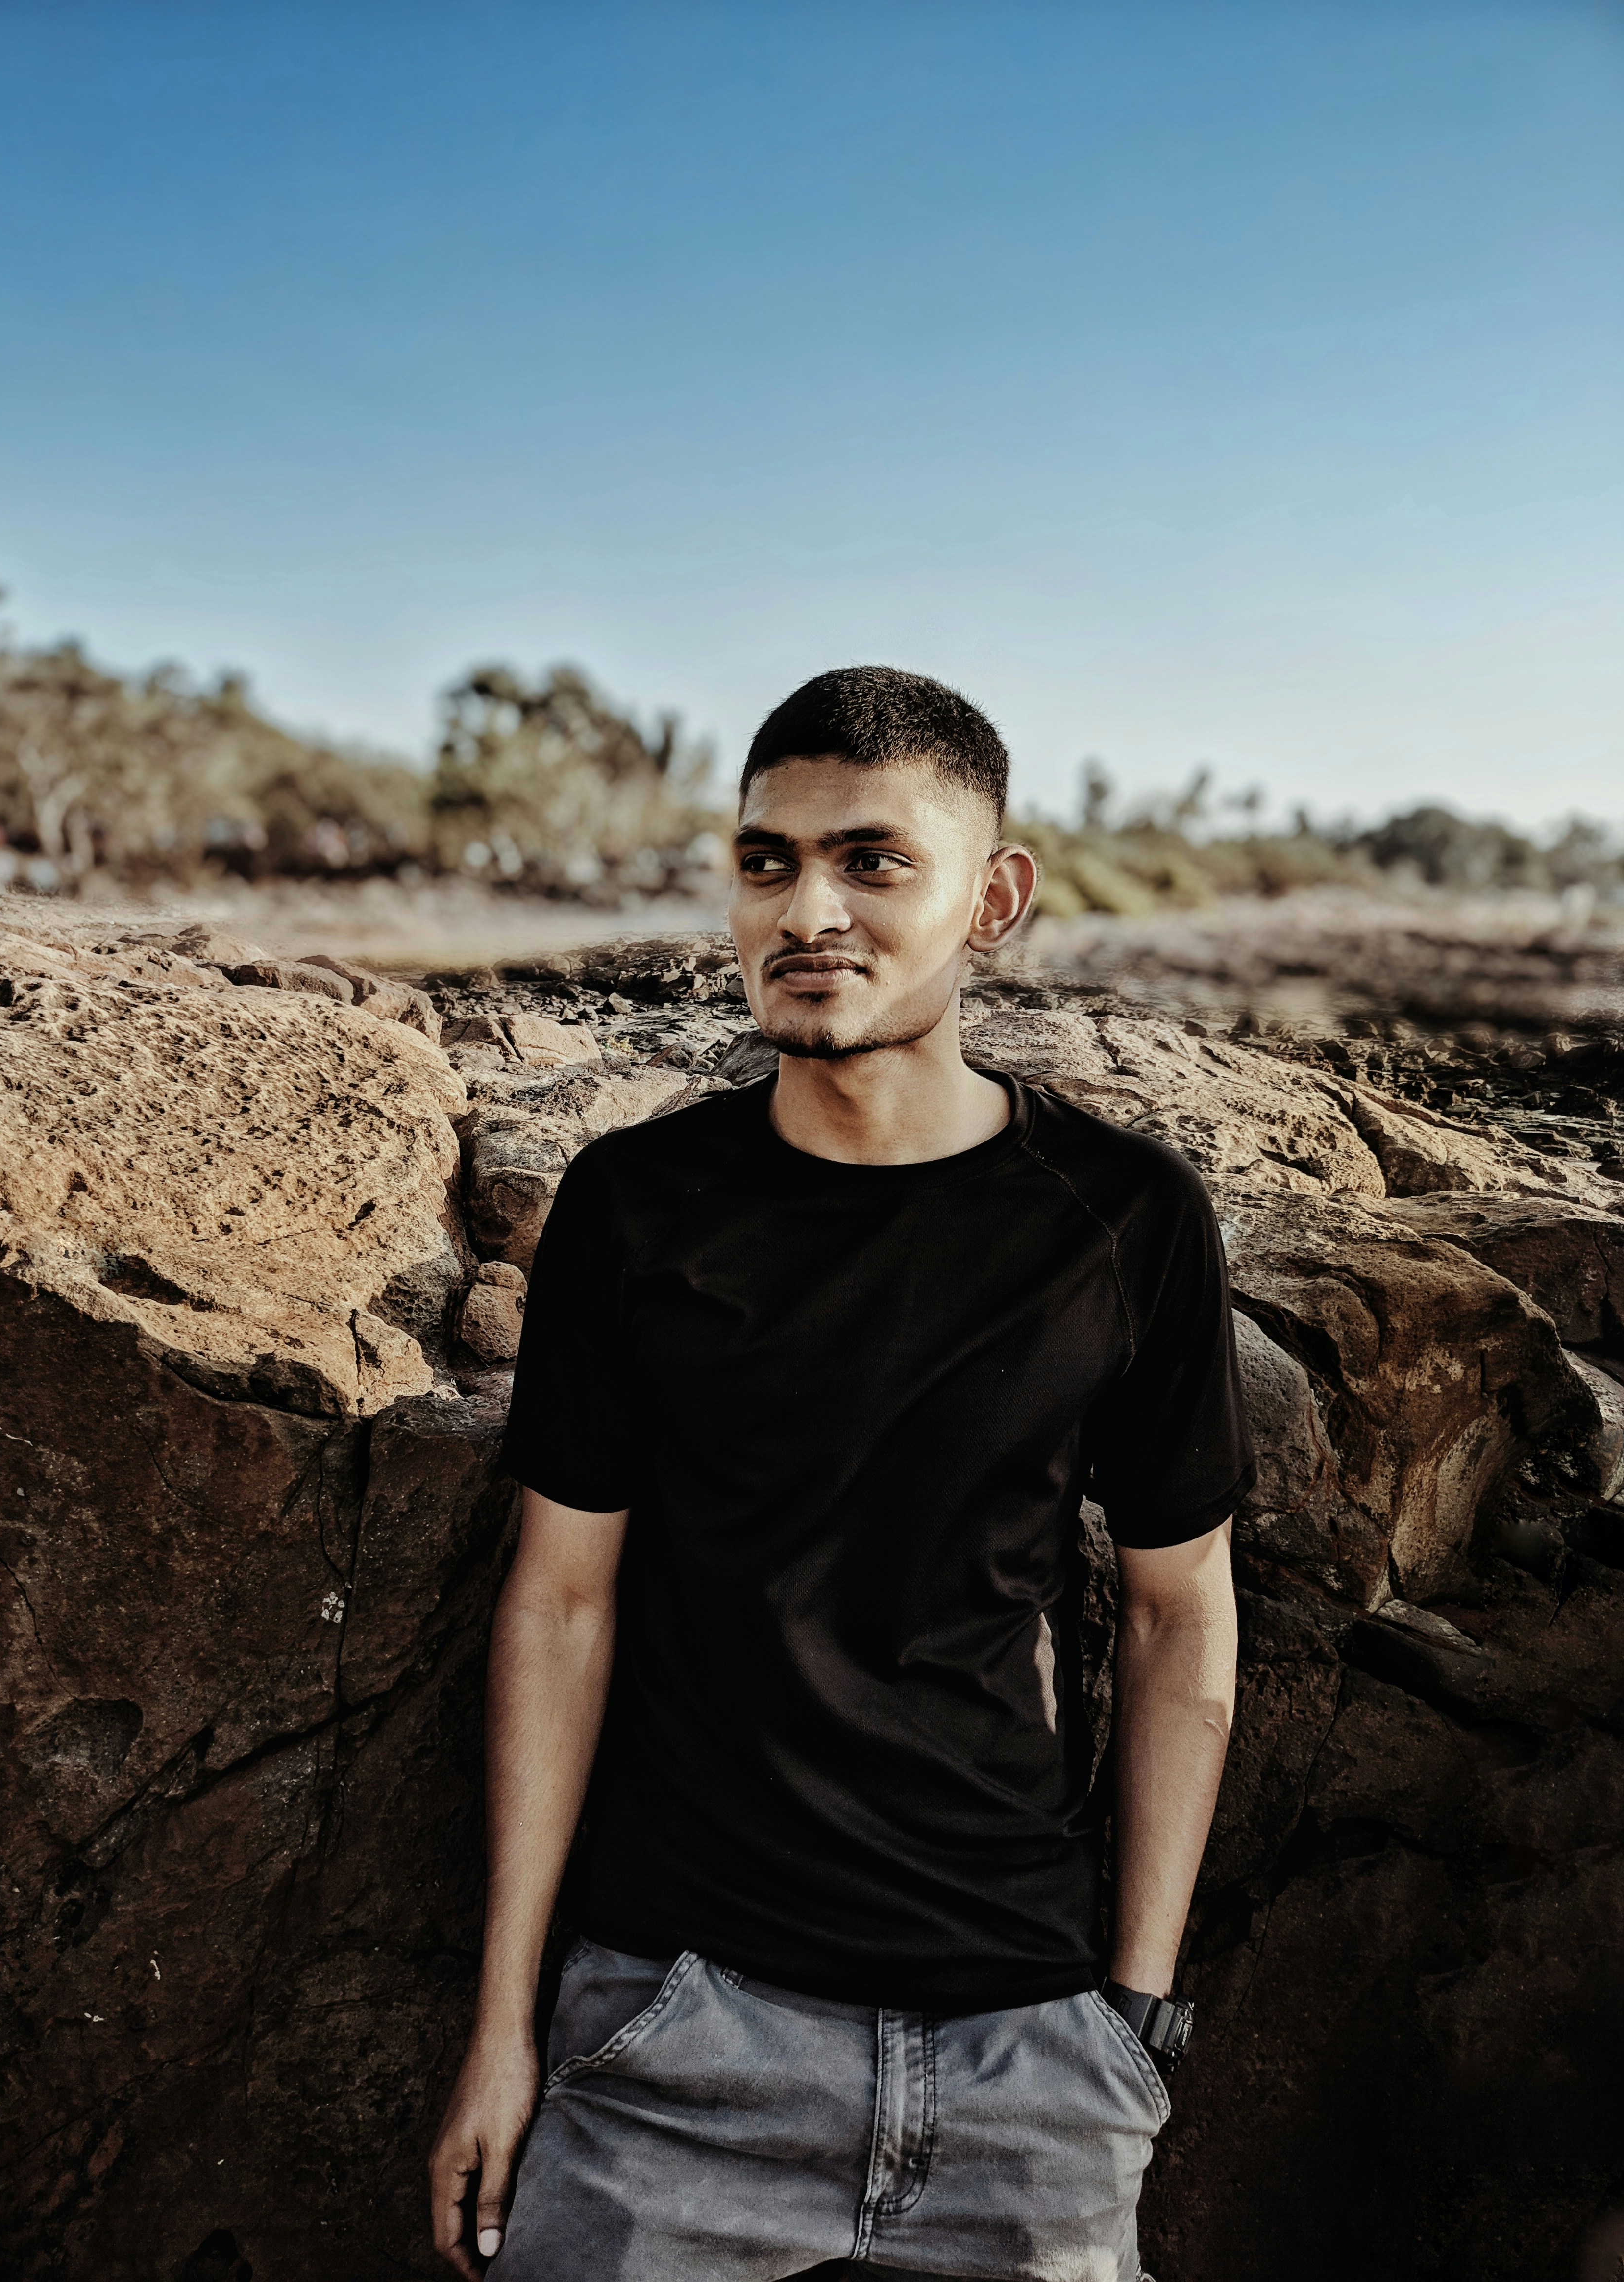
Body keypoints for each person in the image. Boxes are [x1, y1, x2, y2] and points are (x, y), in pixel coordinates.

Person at [429, 667, 1253, 2282]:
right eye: (767, 862)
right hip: (673, 2041)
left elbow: (1181, 1621)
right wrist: (503, 2031)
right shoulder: (638, 1205)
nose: (807, 912)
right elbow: (562, 1604)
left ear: (991, 899)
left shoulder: (1121, 1216)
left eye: (873, 862)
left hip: (1026, 2055)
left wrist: (1135, 2023)